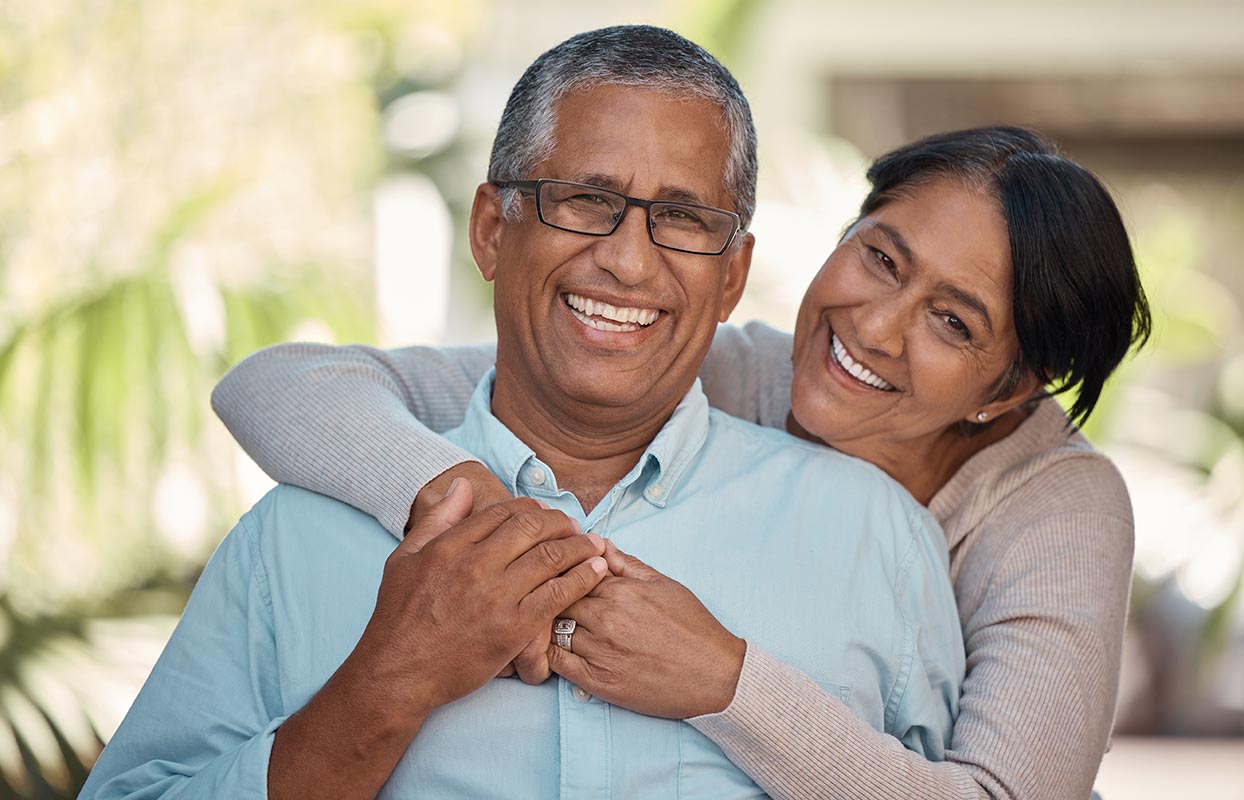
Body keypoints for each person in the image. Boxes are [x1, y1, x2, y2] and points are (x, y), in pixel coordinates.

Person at [81, 26, 964, 800]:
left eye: (685, 218)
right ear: (492, 232)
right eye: (586, 200)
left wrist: (737, 690)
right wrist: (388, 683)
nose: (626, 260)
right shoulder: (294, 538)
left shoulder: (877, 540)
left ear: (732, 275)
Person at [211, 117, 1151, 800]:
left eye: (953, 321)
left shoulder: (1056, 505)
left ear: (1015, 386)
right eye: (881, 259)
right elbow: (281, 386)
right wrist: (478, 513)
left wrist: (726, 682)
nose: (874, 327)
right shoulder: (724, 364)